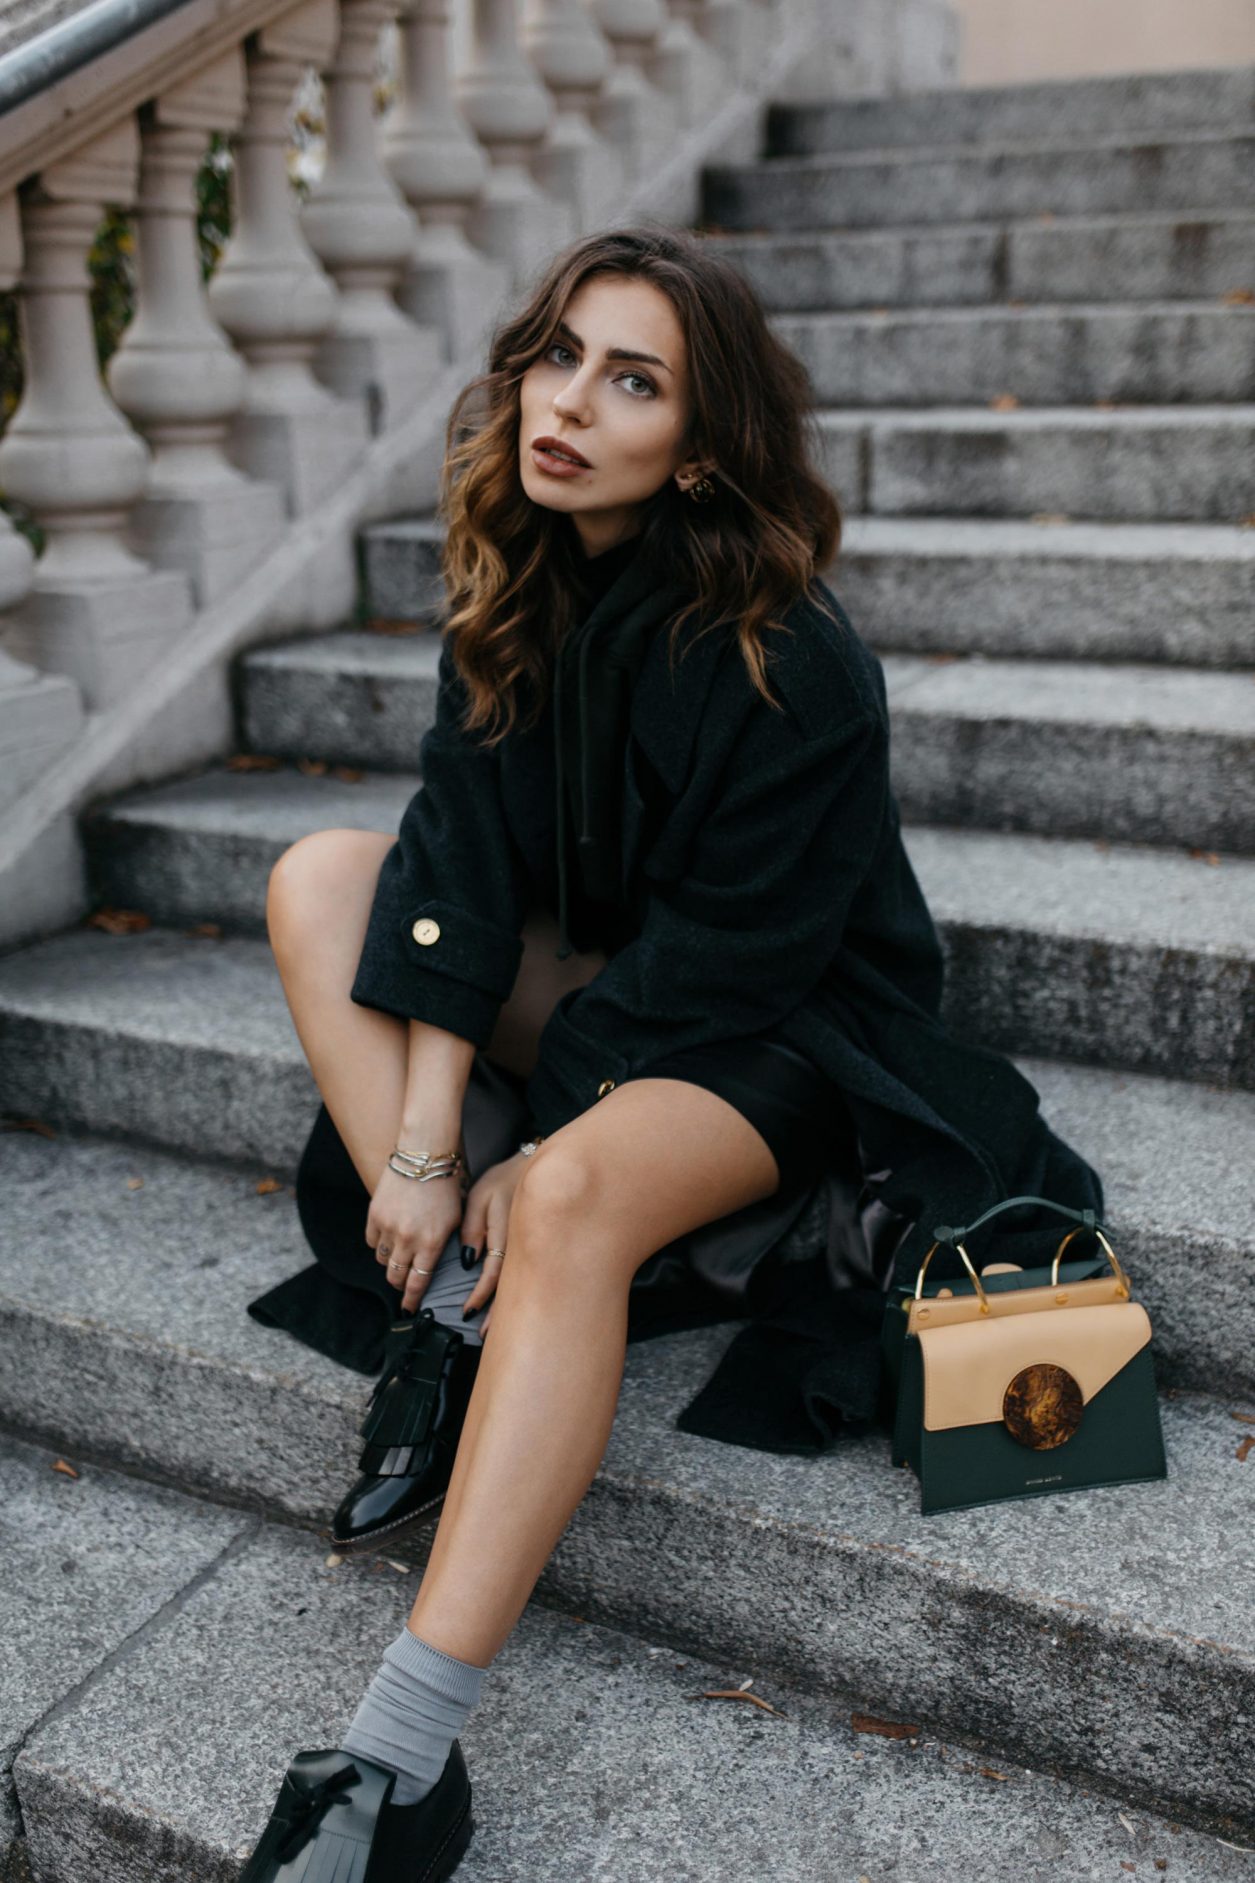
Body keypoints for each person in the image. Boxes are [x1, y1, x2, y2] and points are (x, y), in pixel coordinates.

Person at [240, 224, 1103, 1879]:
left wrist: (528, 1157)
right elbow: (452, 877)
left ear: (700, 446)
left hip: (782, 1037)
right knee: (320, 878)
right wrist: (425, 1145)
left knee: (565, 1203)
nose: (568, 404)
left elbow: (734, 967)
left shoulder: (796, 655)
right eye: (559, 355)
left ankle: (397, 1762)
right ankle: (454, 1335)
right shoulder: (517, 576)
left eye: (631, 381)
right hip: (613, 991)